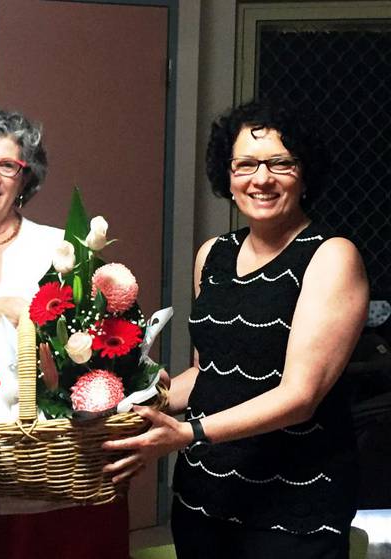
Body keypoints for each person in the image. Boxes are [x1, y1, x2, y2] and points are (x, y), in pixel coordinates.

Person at [103, 101, 368, 558]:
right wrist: (144, 397)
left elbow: (299, 397)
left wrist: (186, 434)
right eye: (245, 164)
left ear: (305, 173)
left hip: (294, 503)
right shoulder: (214, 254)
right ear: (226, 176)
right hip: (207, 496)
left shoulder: (331, 256)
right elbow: (209, 374)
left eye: (280, 163)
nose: (261, 178)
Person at [0, 109, 132, 558]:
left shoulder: (59, 247)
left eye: (8, 166)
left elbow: (96, 348)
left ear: (25, 179)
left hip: (61, 470)